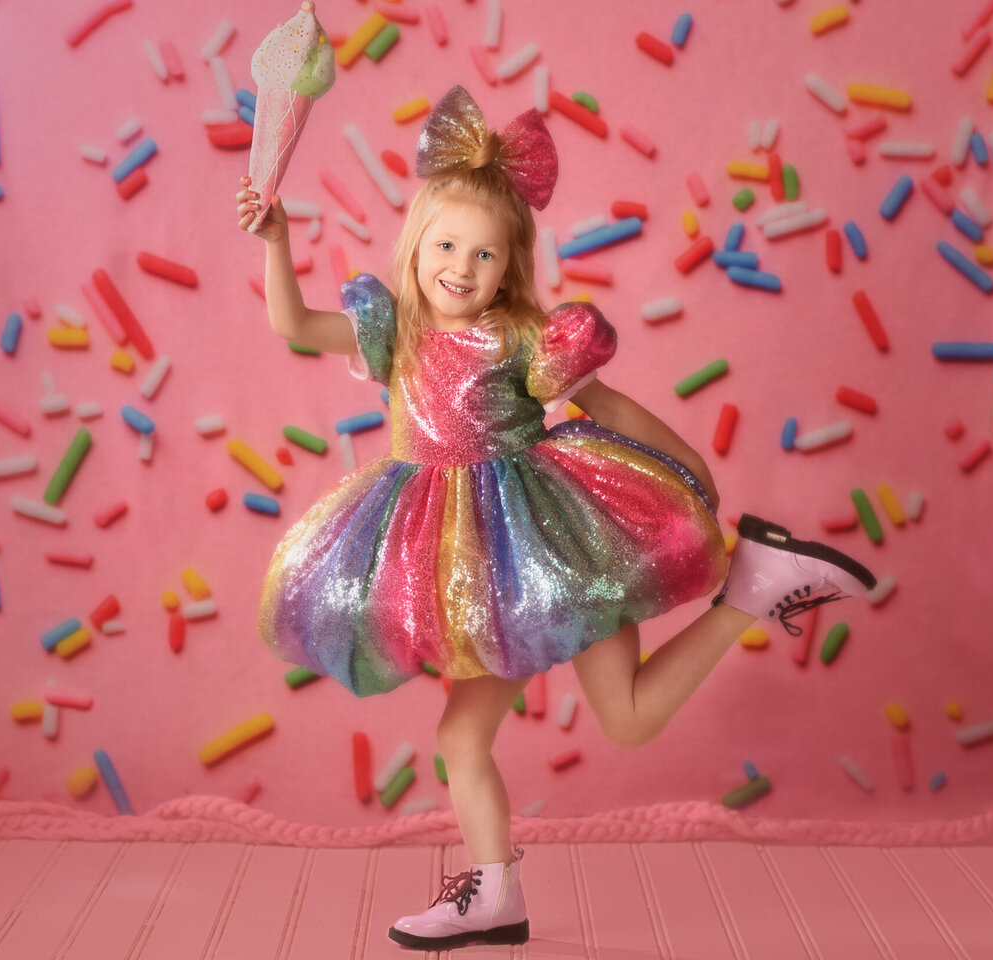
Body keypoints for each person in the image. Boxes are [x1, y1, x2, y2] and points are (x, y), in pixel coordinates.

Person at [236, 85, 876, 952]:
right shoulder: (391, 335)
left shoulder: (524, 339)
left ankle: (753, 586)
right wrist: (277, 241)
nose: (462, 267)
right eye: (447, 245)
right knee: (472, 736)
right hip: (480, 578)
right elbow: (287, 323)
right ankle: (496, 894)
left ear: (512, 267)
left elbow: (608, 405)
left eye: (486, 256)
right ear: (416, 244)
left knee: (617, 722)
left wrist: (693, 474)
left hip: (565, 546)